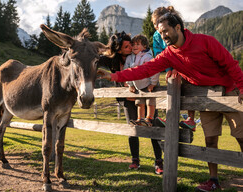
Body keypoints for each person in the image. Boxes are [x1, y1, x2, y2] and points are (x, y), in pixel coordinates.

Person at [97, 10, 243, 192]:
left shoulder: (205, 41)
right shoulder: (169, 55)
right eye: (159, 32)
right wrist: (114, 76)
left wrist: (242, 87)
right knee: (210, 140)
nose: (162, 35)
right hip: (206, 98)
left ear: (178, 27)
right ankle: (214, 180)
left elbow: (230, 64)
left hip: (230, 92)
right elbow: (144, 70)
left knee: (241, 136)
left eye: (165, 31)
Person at [98, 31, 164, 174]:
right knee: (132, 129)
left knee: (153, 127)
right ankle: (135, 160)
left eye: (132, 45)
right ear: (119, 49)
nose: (131, 47)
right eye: (127, 46)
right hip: (128, 99)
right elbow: (97, 60)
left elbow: (151, 68)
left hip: (146, 94)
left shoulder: (140, 55)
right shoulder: (113, 59)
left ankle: (159, 161)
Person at [151, 6, 196, 131]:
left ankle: (191, 119)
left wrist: (178, 68)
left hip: (185, 65)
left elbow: (182, 50)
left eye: (157, 23)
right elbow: (159, 53)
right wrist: (168, 69)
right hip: (171, 66)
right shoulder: (156, 36)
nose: (156, 26)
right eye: (154, 24)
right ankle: (171, 117)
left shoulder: (178, 30)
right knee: (171, 86)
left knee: (188, 87)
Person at [124, 34, 159, 127]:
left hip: (149, 84)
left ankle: (149, 118)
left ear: (144, 46)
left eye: (138, 44)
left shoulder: (147, 57)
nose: (135, 46)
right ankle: (140, 119)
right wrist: (130, 84)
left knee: (150, 102)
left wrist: (153, 83)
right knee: (139, 103)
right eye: (133, 44)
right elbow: (127, 72)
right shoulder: (129, 58)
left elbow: (154, 70)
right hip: (138, 85)